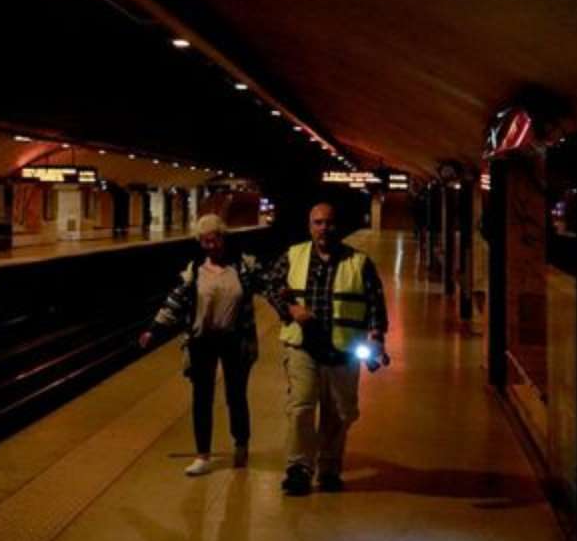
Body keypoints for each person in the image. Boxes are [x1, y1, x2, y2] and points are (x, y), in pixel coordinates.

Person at [265, 202, 389, 495]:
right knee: (301, 407)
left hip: (343, 349)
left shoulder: (359, 262)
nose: (324, 228)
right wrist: (290, 308)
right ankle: (298, 469)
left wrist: (376, 337)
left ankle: (329, 468)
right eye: (318, 223)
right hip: (303, 346)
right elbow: (270, 285)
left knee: (338, 413)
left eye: (329, 223)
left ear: (338, 226)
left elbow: (375, 302)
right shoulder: (294, 255)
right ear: (310, 227)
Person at [139, 214, 266, 475]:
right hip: (202, 341)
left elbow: (270, 287)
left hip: (235, 339)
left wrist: (290, 309)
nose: (211, 246)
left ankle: (241, 443)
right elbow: (174, 302)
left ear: (223, 238)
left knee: (236, 395)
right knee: (201, 398)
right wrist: (154, 329)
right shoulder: (194, 270)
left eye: (215, 240)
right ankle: (203, 455)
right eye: (205, 241)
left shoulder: (244, 267)